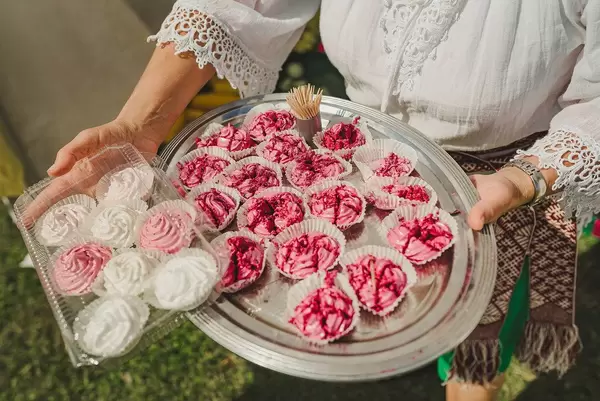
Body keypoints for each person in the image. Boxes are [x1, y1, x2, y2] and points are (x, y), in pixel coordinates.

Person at [47, 1, 600, 400]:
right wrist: (142, 122)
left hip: (500, 177)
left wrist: (524, 179)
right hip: (353, 158)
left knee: (477, 346)